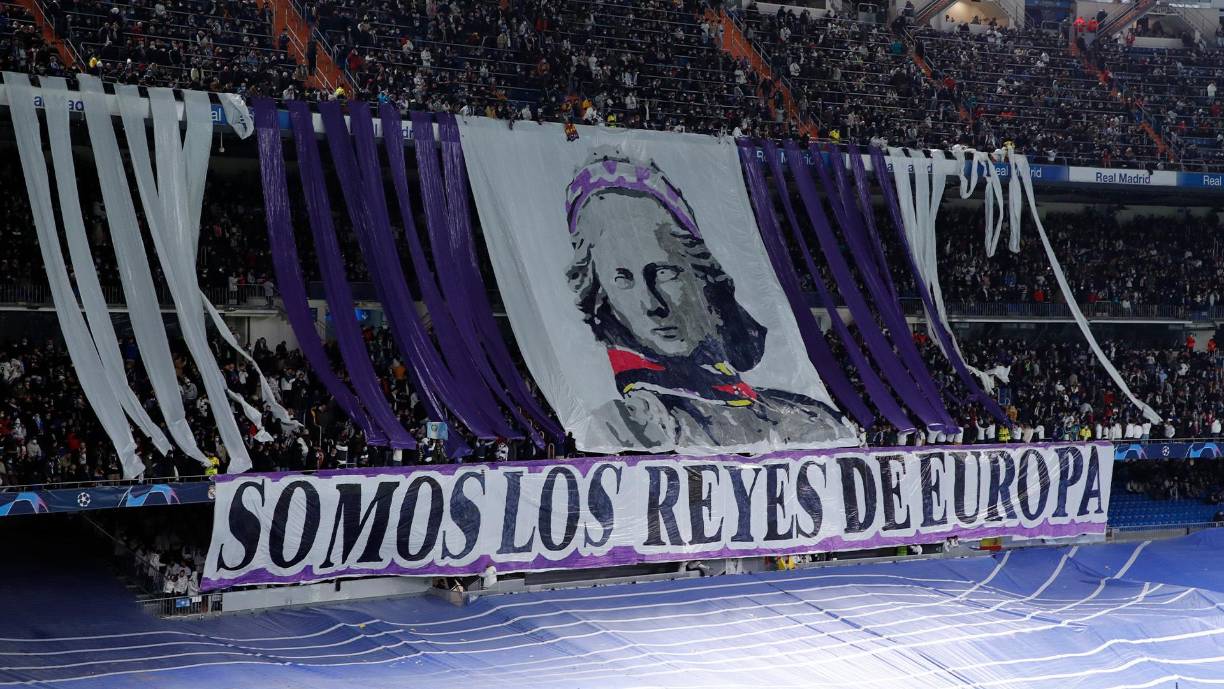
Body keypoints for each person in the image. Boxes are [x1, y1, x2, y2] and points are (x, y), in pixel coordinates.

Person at [564, 151, 853, 449]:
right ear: (601, 295)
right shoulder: (625, 426)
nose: (651, 304)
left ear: (699, 273)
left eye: (664, 272)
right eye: (622, 280)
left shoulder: (804, 416)